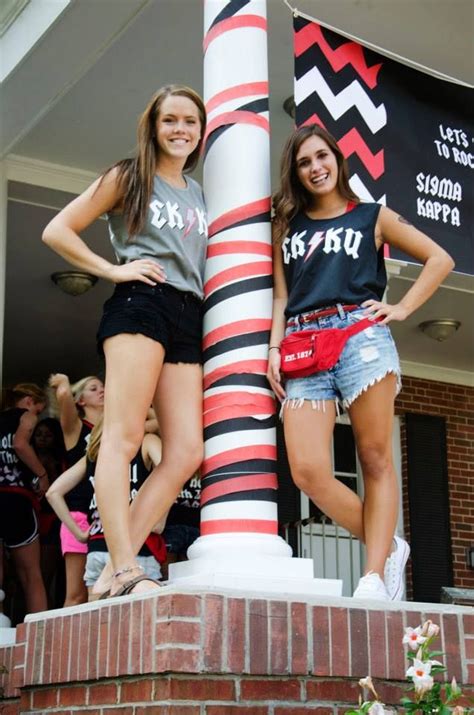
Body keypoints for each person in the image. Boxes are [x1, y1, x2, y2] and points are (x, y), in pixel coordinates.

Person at [267, 124, 454, 601]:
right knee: (307, 470)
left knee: (374, 457)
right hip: (303, 344)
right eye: (304, 162)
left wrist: (403, 308)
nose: (315, 167)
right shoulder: (286, 225)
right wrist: (273, 348)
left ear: (337, 159)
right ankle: (387, 545)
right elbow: (282, 295)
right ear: (295, 172)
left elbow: (439, 259)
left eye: (321, 156)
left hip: (360, 337)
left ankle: (371, 576)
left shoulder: (371, 216)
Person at [42, 85, 207, 597]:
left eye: (191, 122)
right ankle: (125, 567)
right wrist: (113, 268)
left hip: (188, 312)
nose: (181, 130)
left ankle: (115, 569)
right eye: (170, 120)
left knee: (185, 450)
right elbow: (58, 229)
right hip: (141, 301)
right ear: (153, 127)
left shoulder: (199, 193)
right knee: (124, 436)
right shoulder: (129, 176)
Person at [46, 417, 166, 600]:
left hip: (97, 547)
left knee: (99, 623)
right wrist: (159, 517)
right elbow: (167, 469)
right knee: (139, 622)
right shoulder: (146, 441)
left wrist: (79, 533)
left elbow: (53, 492)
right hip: (135, 546)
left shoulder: (95, 454)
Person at [48, 374, 104, 606]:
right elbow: (63, 396)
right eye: (93, 388)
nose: (102, 390)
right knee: (77, 594)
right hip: (79, 517)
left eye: (104, 387)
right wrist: (62, 383)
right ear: (80, 400)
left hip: (103, 516)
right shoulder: (76, 429)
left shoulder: (113, 427)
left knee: (101, 590)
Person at [0, 384, 48, 615]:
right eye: (39, 410)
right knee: (31, 575)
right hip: (16, 499)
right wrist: (42, 474)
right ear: (29, 401)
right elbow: (20, 444)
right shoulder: (26, 416)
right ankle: (39, 633)